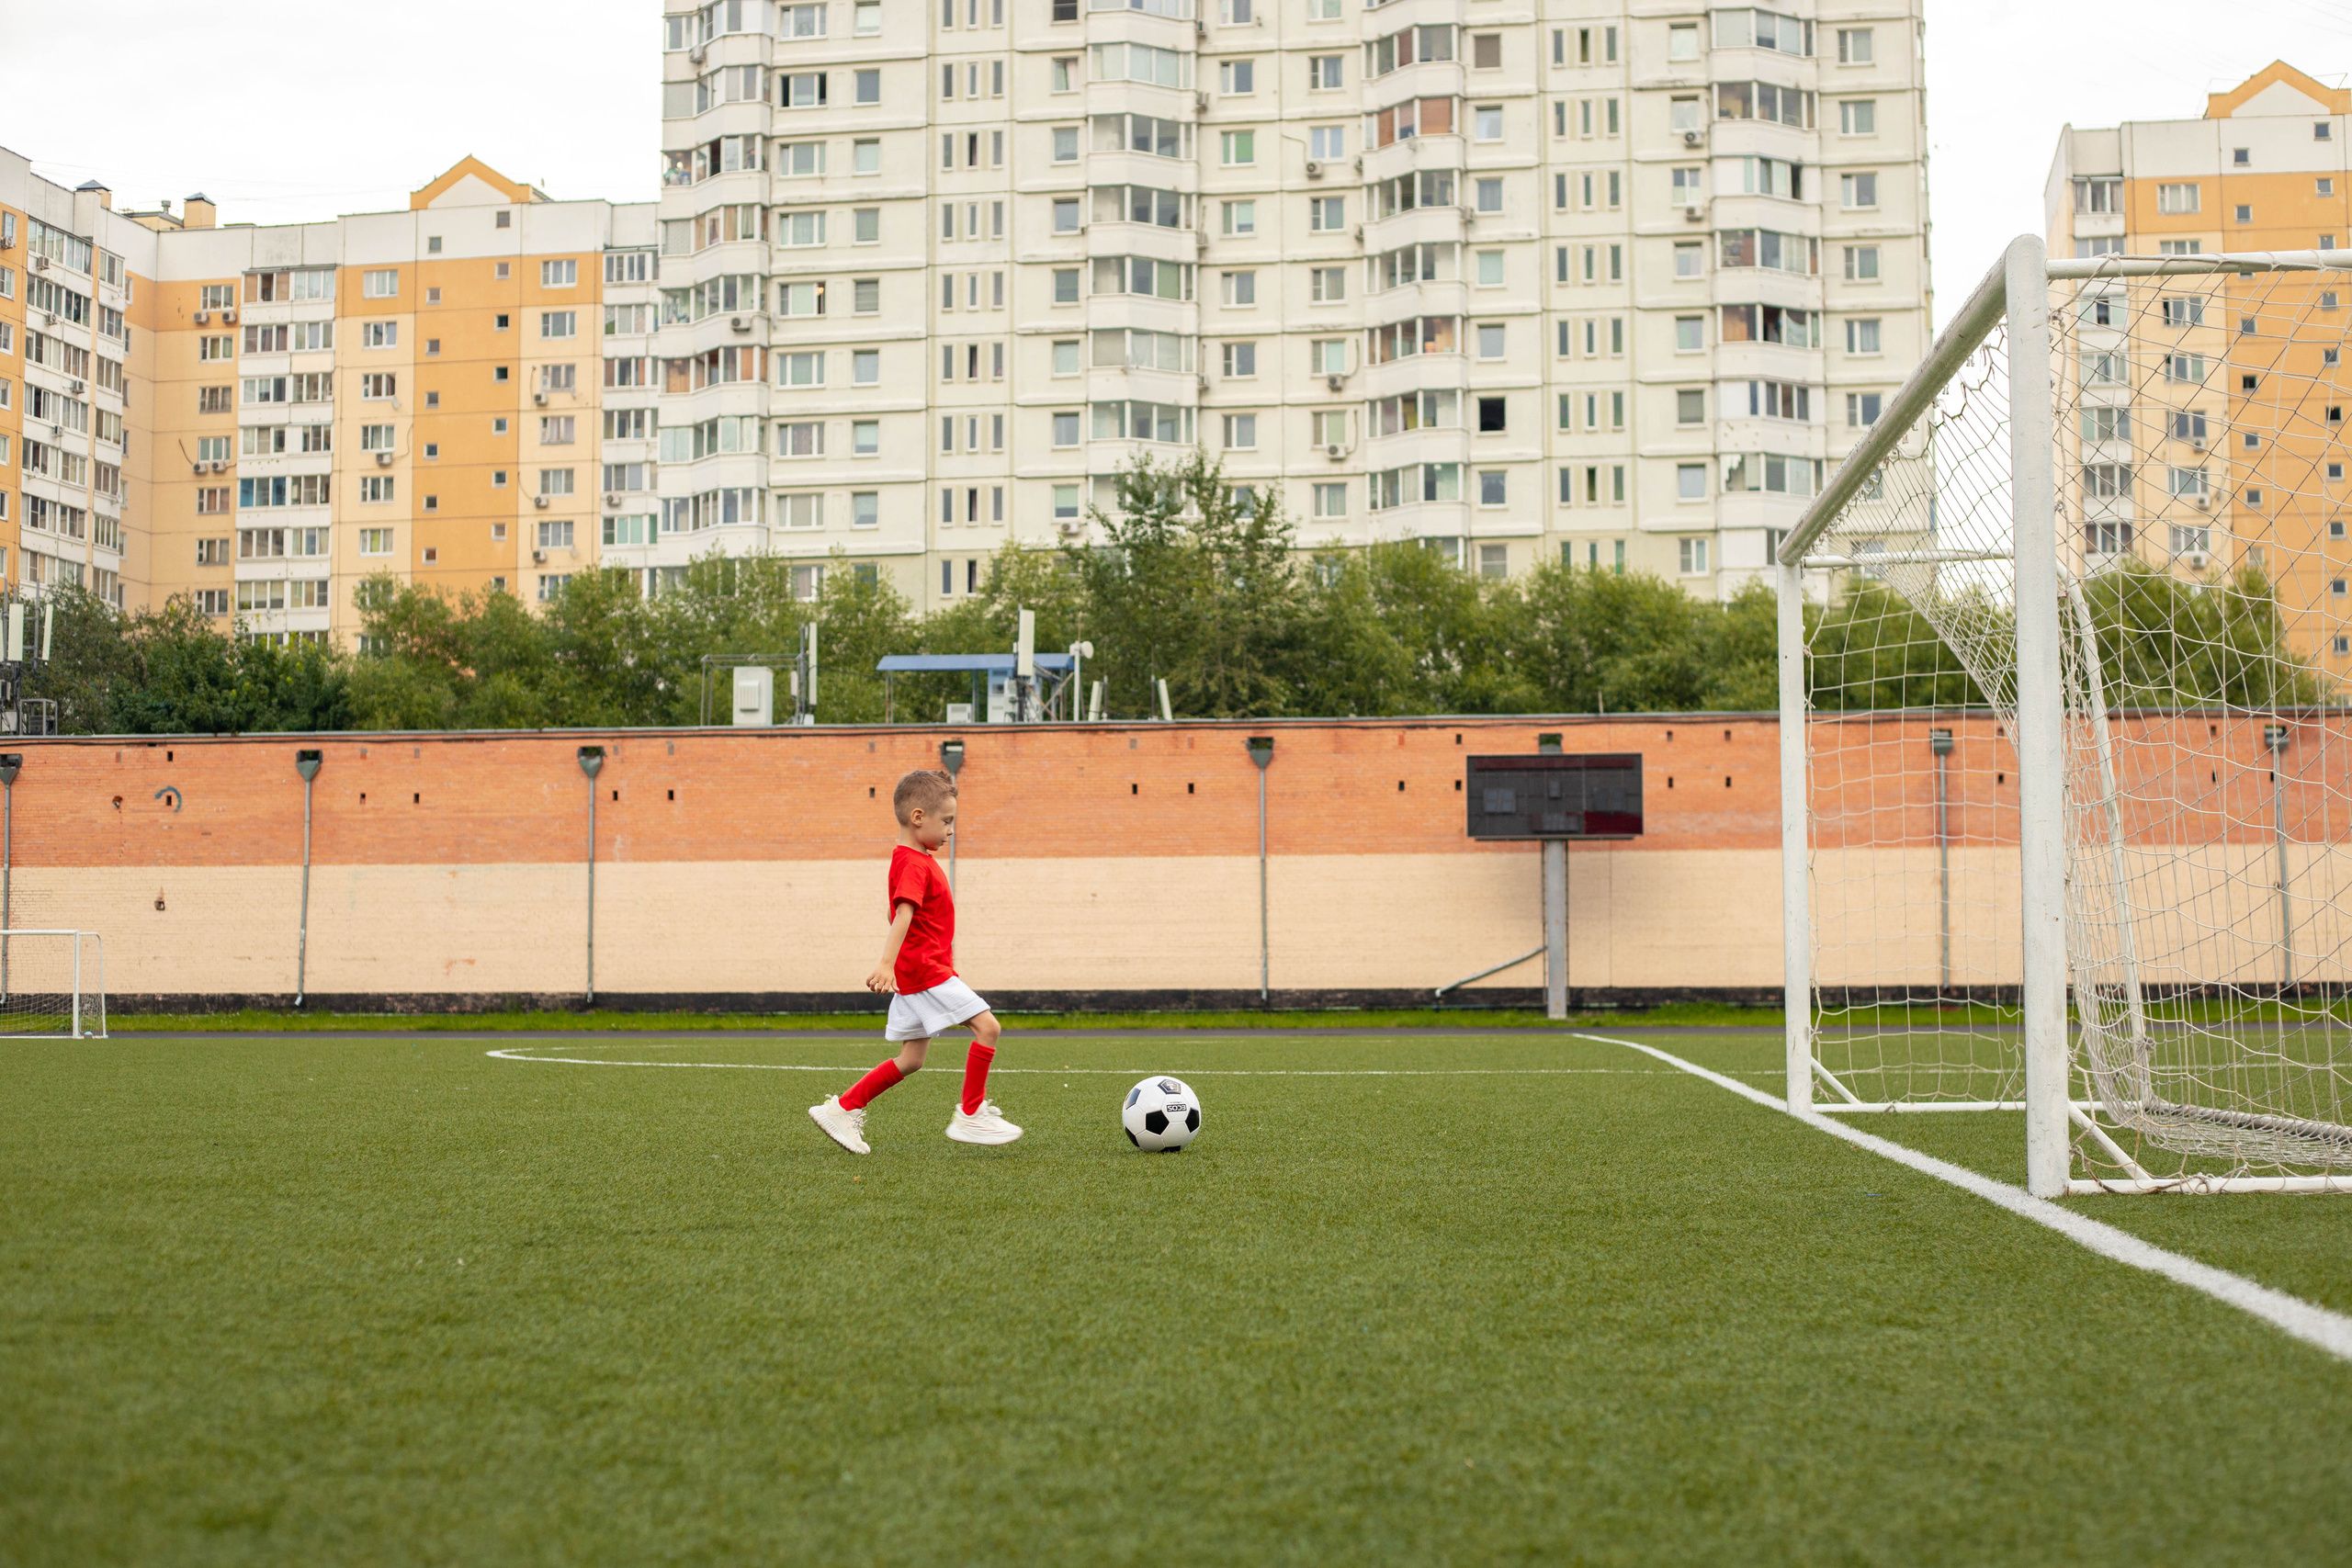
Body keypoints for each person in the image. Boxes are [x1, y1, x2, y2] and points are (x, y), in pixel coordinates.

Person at [808, 768, 1021, 1155]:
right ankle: (971, 1114)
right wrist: (886, 964)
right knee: (988, 1029)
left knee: (911, 1059)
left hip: (919, 971)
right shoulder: (913, 862)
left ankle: (842, 1108)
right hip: (925, 972)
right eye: (947, 821)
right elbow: (902, 913)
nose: (951, 830)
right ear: (918, 817)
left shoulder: (914, 859)